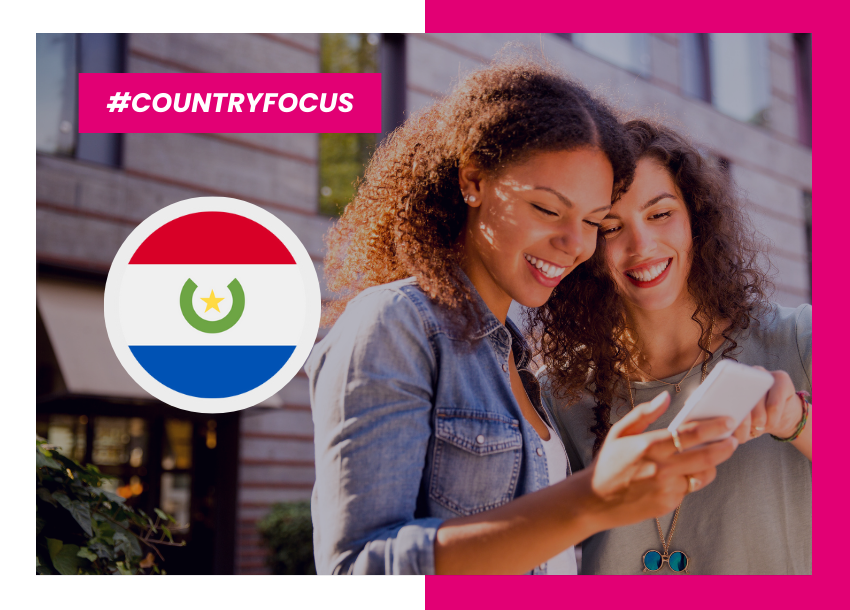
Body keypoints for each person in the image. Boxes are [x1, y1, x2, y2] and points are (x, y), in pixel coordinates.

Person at [305, 59, 738, 575]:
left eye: (593, 221)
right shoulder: (394, 325)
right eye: (548, 210)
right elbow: (358, 572)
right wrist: (589, 501)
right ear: (473, 180)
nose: (576, 244)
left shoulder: (519, 359)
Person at [540, 119, 811, 575]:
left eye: (660, 214)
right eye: (610, 227)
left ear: (696, 221)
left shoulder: (799, 339)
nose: (641, 245)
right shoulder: (560, 394)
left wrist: (797, 420)